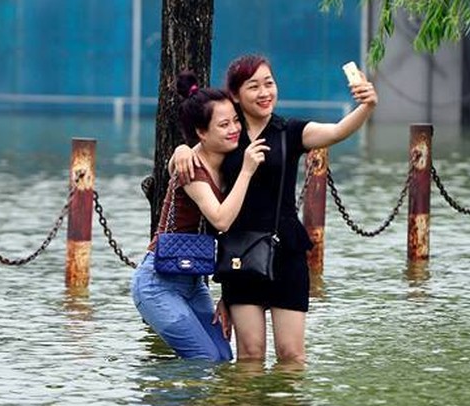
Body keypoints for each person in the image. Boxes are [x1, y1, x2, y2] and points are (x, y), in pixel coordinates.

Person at [170, 53, 378, 363]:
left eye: (269, 83)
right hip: (240, 256)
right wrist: (181, 148)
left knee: (291, 355)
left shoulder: (289, 131)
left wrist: (367, 106)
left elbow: (336, 132)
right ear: (236, 95)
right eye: (254, 86)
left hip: (286, 252)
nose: (265, 92)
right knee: (251, 355)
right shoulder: (228, 135)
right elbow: (194, 152)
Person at [132, 72, 267, 361]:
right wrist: (246, 171)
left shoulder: (229, 163)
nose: (234, 129)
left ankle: (189, 405)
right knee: (203, 359)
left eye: (235, 121)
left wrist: (228, 296)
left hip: (194, 282)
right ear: (202, 133)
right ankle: (150, 399)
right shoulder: (192, 166)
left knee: (222, 358)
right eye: (223, 124)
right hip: (158, 283)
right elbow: (220, 220)